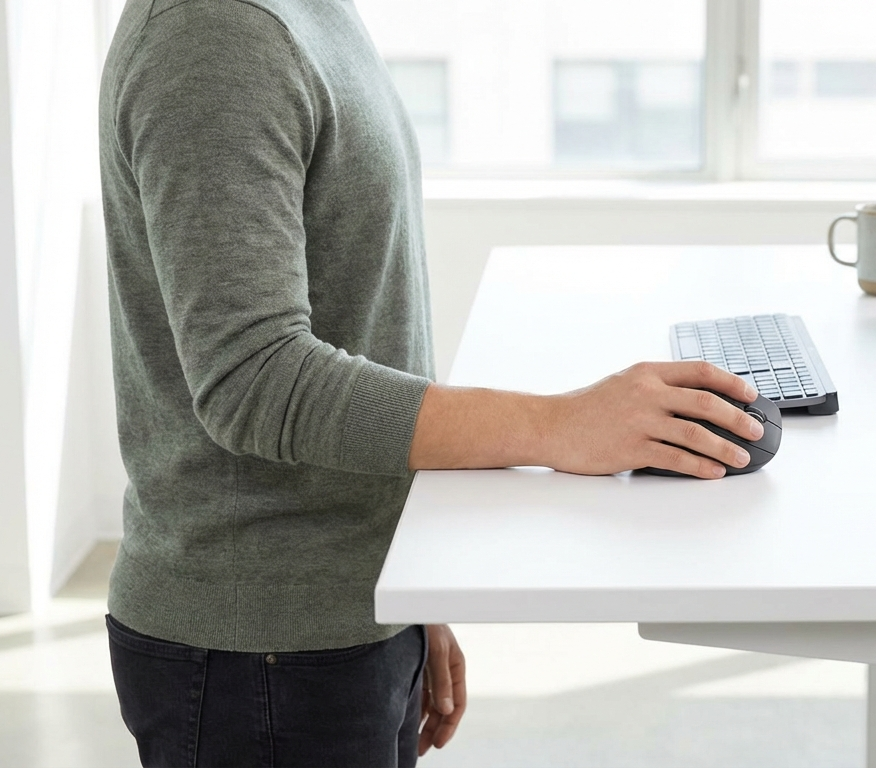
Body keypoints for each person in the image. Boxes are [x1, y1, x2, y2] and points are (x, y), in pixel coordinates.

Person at [97, 0, 765, 765]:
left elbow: (358, 316)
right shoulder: (213, 35)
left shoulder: (305, 13)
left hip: (347, 611)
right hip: (265, 649)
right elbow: (254, 378)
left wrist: (411, 587)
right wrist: (559, 427)